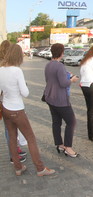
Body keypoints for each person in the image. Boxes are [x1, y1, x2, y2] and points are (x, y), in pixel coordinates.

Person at [0, 44, 55, 176]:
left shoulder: (1, 69)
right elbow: (25, 93)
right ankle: (40, 168)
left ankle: (18, 167)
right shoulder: (17, 71)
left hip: (5, 107)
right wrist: (23, 86)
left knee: (12, 138)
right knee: (31, 138)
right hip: (17, 109)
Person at [44, 43, 79, 157]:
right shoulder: (59, 66)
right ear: (61, 52)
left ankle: (59, 144)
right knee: (71, 122)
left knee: (56, 122)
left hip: (50, 97)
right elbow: (63, 83)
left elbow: (51, 79)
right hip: (60, 99)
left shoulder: (49, 65)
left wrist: (65, 75)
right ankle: (68, 147)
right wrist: (72, 79)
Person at [0, 40, 27, 163]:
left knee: (10, 129)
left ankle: (15, 151)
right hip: (7, 102)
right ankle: (13, 154)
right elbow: (24, 92)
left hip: (5, 102)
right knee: (10, 131)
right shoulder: (6, 67)